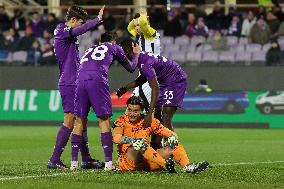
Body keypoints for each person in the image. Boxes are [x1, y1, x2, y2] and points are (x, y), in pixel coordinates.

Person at [70, 32, 140, 171]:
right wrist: (136, 53)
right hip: (97, 80)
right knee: (104, 120)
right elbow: (132, 68)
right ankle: (108, 163)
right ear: (113, 41)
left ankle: (73, 163)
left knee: (79, 121)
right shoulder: (114, 47)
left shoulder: (89, 49)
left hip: (79, 80)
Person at [47, 5, 105, 169]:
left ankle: (86, 159)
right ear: (72, 20)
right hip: (69, 82)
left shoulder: (66, 33)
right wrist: (97, 20)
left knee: (81, 120)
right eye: (80, 22)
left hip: (74, 80)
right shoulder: (62, 30)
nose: (80, 26)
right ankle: (54, 158)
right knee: (70, 119)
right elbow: (79, 31)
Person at [117, 37, 187, 149]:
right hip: (165, 81)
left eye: (125, 54)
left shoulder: (144, 62)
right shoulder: (141, 59)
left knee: (166, 115)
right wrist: (126, 88)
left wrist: (149, 113)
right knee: (158, 116)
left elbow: (155, 88)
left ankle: (174, 151)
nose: (125, 58)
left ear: (130, 50)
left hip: (175, 80)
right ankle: (156, 146)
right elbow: (142, 79)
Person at [113, 96, 209, 173]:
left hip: (149, 160)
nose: (132, 114)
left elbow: (169, 133)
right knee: (140, 144)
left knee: (173, 144)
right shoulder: (121, 120)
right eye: (129, 110)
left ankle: (187, 166)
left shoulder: (149, 121)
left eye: (135, 111)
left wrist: (172, 137)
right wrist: (132, 140)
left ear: (141, 110)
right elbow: (116, 138)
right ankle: (165, 164)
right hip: (128, 162)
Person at [127, 12, 161, 112]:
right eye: (136, 25)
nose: (136, 27)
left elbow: (144, 24)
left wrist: (143, 18)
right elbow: (129, 28)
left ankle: (121, 126)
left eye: (138, 25)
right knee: (137, 106)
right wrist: (135, 20)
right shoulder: (141, 36)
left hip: (151, 73)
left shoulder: (150, 34)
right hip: (144, 73)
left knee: (135, 104)